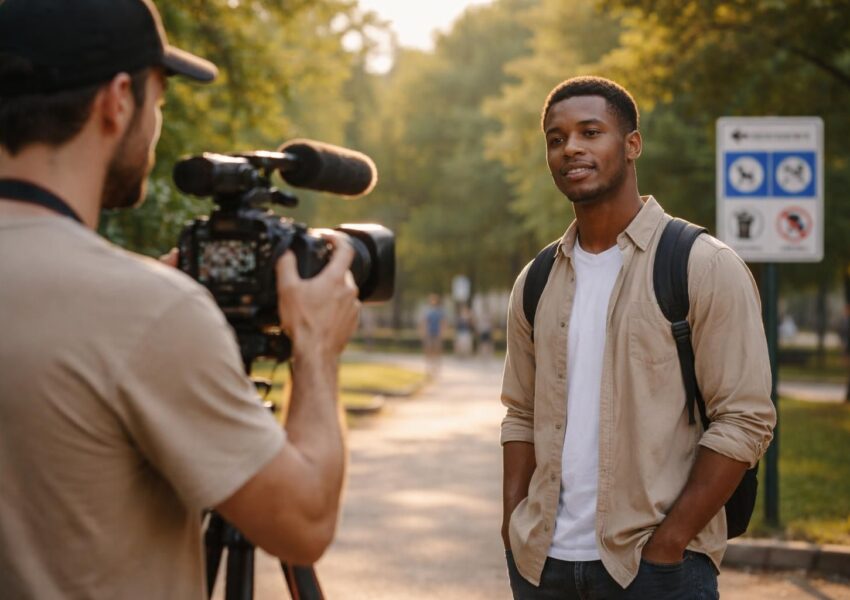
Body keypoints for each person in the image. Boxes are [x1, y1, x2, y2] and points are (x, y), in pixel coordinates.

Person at [0, 1, 360, 598]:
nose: (157, 121)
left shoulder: (143, 309)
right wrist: (316, 349)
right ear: (117, 101)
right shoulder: (145, 311)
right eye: (159, 100)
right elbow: (304, 524)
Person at [500, 76, 776, 599]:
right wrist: (513, 527)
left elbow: (744, 418)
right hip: (543, 567)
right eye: (556, 139)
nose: (571, 148)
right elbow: (519, 413)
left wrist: (669, 544)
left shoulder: (701, 265)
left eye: (590, 132)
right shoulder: (537, 280)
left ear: (632, 145)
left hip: (654, 570)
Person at [421, 293, 446, 374]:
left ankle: (436, 364)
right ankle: (429, 365)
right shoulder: (428, 311)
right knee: (428, 348)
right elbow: (425, 322)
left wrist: (441, 332)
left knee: (437, 349)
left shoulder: (439, 311)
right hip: (429, 332)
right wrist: (424, 332)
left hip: (437, 332)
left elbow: (442, 322)